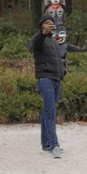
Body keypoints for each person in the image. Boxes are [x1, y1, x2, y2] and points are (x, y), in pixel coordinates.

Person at [31, 15, 64, 158]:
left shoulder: (54, 41)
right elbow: (35, 45)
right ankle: (54, 144)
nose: (50, 24)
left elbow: (59, 60)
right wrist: (42, 33)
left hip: (56, 78)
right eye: (46, 23)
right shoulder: (38, 39)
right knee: (50, 110)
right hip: (45, 78)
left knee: (47, 110)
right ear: (41, 26)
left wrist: (63, 72)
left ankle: (45, 143)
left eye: (51, 22)